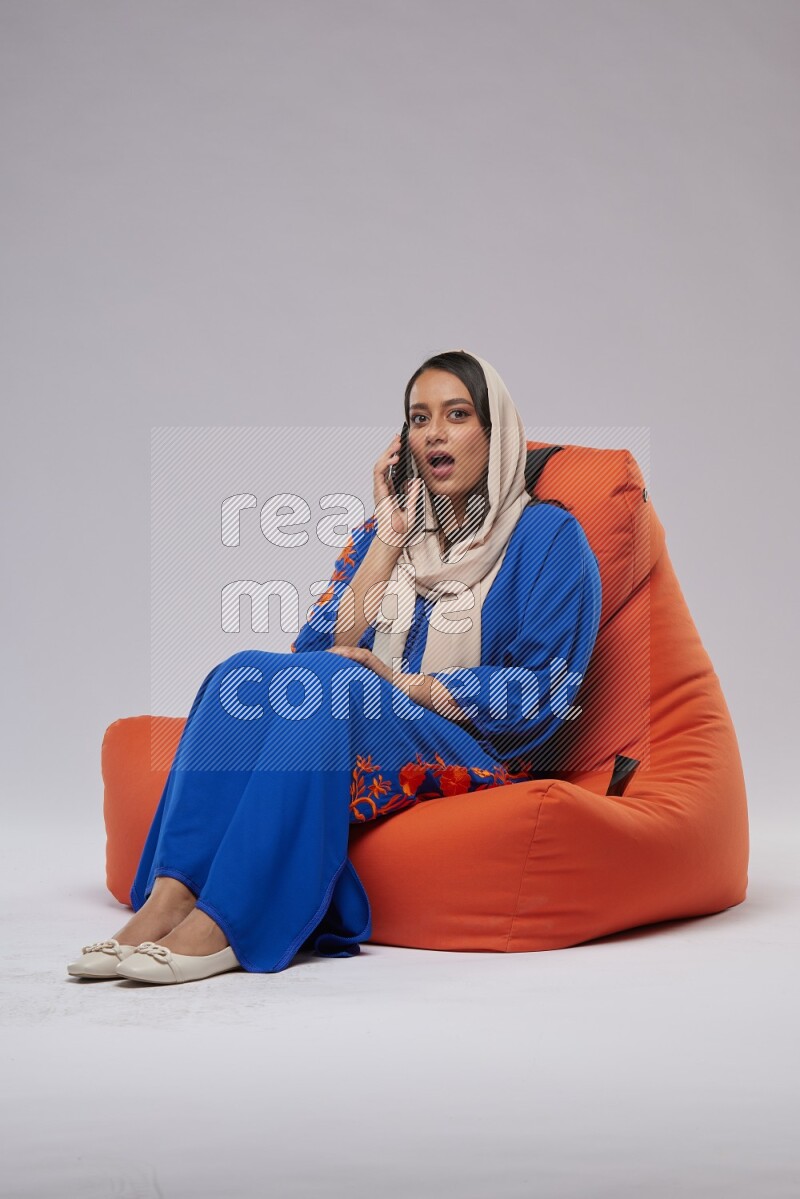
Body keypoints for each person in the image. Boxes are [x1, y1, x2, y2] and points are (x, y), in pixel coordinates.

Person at [67, 349, 602, 985]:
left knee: (340, 686)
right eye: (418, 418)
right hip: (362, 708)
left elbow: (547, 691)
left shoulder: (547, 537)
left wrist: (408, 685)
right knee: (240, 672)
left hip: (476, 746)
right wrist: (388, 539)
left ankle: (232, 922)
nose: (433, 432)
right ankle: (169, 899)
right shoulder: (388, 534)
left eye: (457, 415)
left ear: (496, 432)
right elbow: (315, 654)